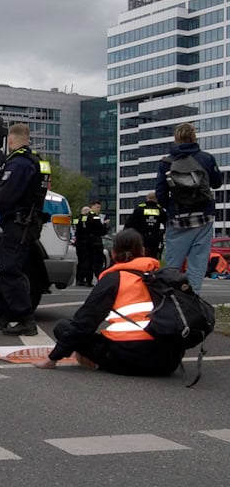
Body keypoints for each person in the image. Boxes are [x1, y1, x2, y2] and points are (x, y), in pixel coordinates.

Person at [32, 229, 184, 376]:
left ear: (114, 253)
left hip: (129, 356)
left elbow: (84, 322)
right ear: (143, 251)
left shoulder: (114, 279)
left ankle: (96, 362)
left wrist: (52, 358)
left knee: (63, 327)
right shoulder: (162, 277)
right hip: (167, 361)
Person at [0, 123, 49, 336]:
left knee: (10, 270)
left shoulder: (18, 163)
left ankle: (26, 319)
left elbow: (8, 195)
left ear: (10, 140)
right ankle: (2, 313)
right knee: (8, 266)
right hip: (26, 222)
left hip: (19, 223)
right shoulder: (37, 160)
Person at [156, 122, 223, 292]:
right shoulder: (206, 158)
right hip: (204, 216)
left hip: (178, 218)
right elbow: (216, 184)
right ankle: (194, 301)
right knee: (198, 262)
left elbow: (161, 193)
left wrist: (171, 209)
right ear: (194, 137)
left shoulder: (166, 162)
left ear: (176, 139)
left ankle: (171, 298)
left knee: (172, 263)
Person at [123, 192, 167, 259]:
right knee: (152, 258)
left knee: (140, 257)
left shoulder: (140, 209)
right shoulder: (159, 210)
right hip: (154, 239)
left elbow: (129, 223)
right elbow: (167, 223)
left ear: (147, 198)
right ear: (156, 199)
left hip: (140, 238)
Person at [87, 200, 109, 277]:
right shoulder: (95, 217)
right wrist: (105, 224)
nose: (98, 209)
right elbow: (102, 230)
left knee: (88, 261)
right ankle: (98, 276)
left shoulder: (85, 216)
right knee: (97, 262)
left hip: (87, 242)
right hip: (96, 242)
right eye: (97, 207)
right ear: (92, 207)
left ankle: (87, 279)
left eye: (99, 207)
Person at [73, 206, 92, 286]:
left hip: (79, 243)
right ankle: (82, 279)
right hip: (84, 243)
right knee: (85, 262)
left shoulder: (76, 218)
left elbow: (74, 225)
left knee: (81, 262)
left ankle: (79, 279)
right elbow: (84, 226)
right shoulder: (83, 219)